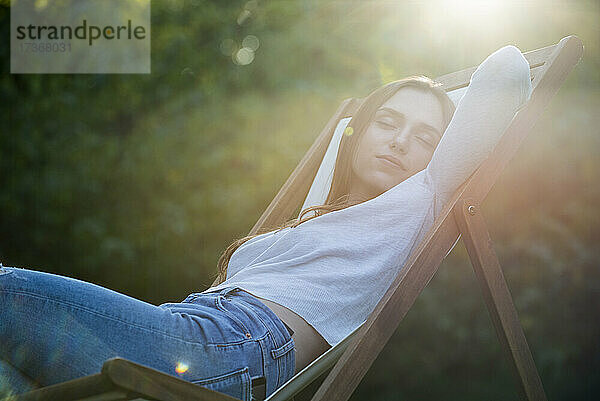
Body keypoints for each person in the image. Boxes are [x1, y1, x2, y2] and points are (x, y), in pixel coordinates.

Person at [0, 44, 532, 401]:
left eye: (425, 137)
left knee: (7, 291)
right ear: (360, 134)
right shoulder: (317, 216)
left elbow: (508, 70)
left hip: (233, 349)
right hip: (193, 328)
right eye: (387, 123)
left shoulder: (425, 198)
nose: (399, 141)